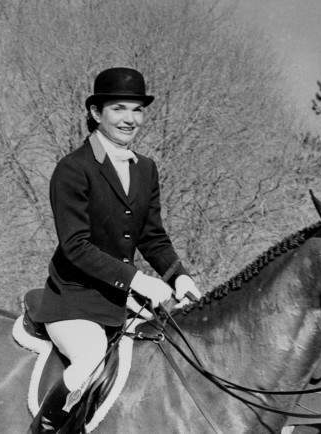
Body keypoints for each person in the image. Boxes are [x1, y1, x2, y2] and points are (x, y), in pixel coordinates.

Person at [28, 67, 201, 433]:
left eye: (137, 110)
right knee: (89, 359)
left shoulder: (146, 170)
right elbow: (75, 246)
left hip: (121, 302)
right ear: (96, 113)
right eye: (119, 109)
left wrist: (179, 275)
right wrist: (140, 280)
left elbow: (152, 237)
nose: (130, 119)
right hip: (74, 302)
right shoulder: (73, 169)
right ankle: (44, 428)